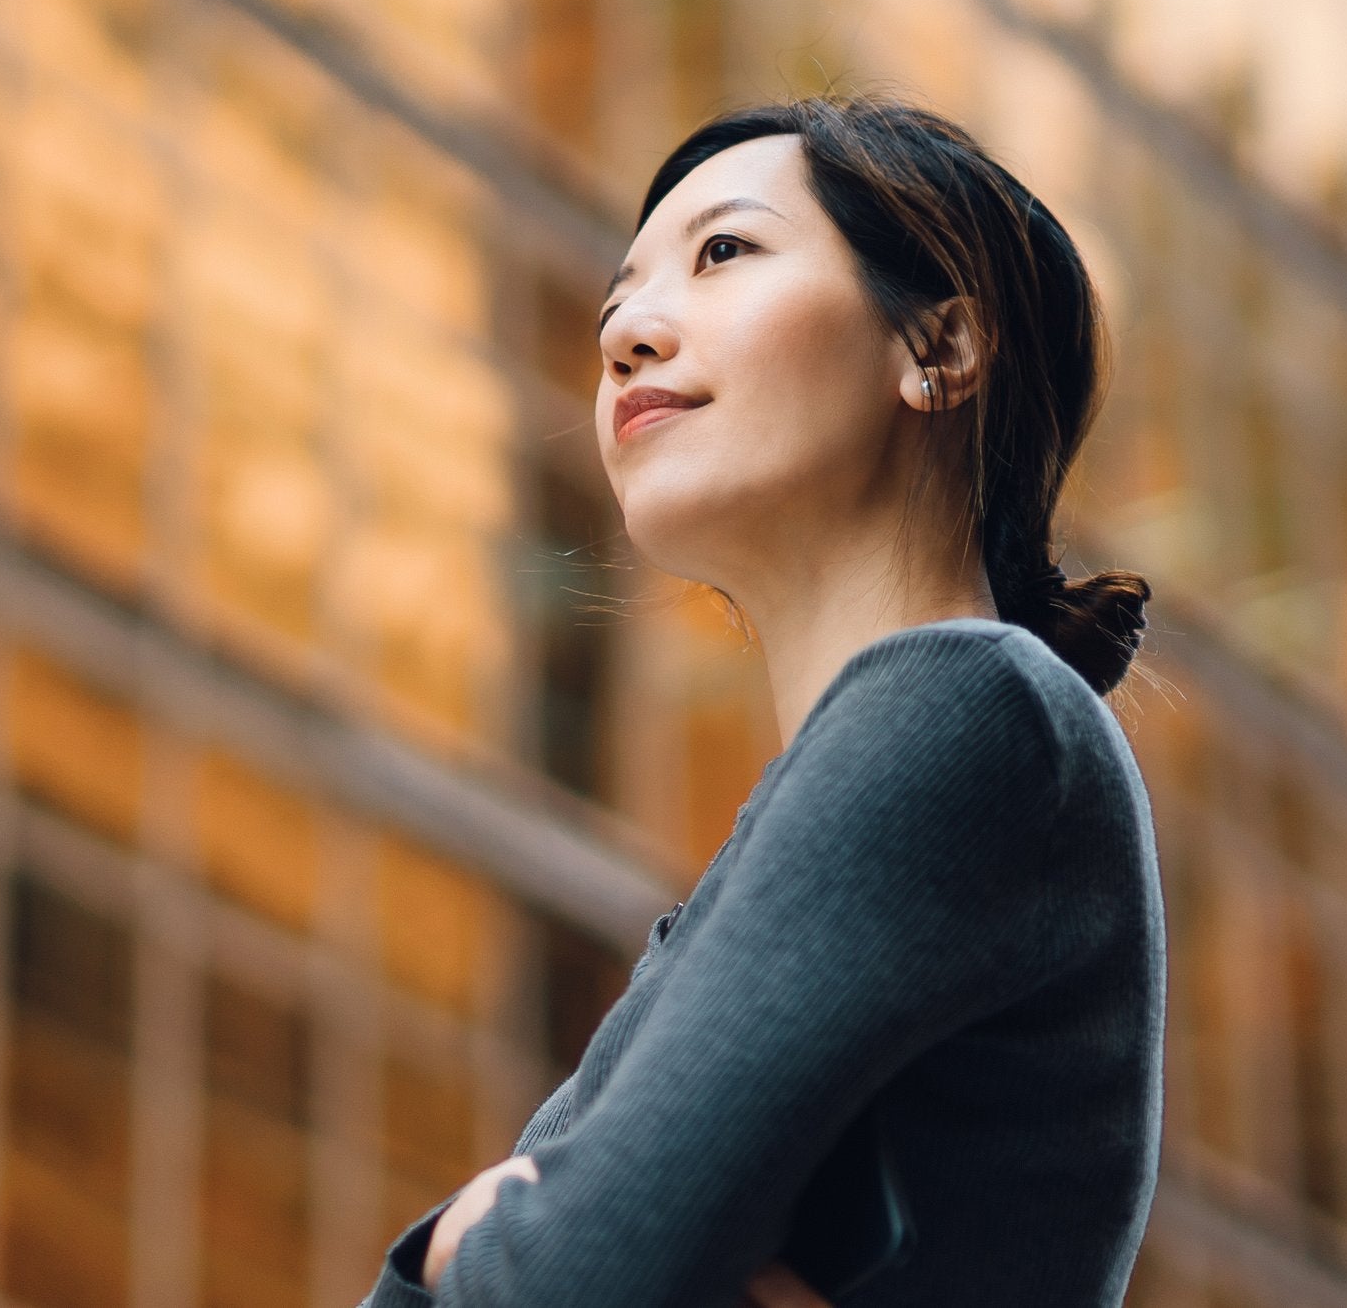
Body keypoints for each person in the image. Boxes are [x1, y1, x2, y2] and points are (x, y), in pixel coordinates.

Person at [359, 94, 1166, 1308]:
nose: (627, 330)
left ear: (939, 349)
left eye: (723, 251)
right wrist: (491, 1236)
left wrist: (449, 1245)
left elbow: (577, 1271)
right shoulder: (879, 773)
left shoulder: (970, 706)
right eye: (614, 301)